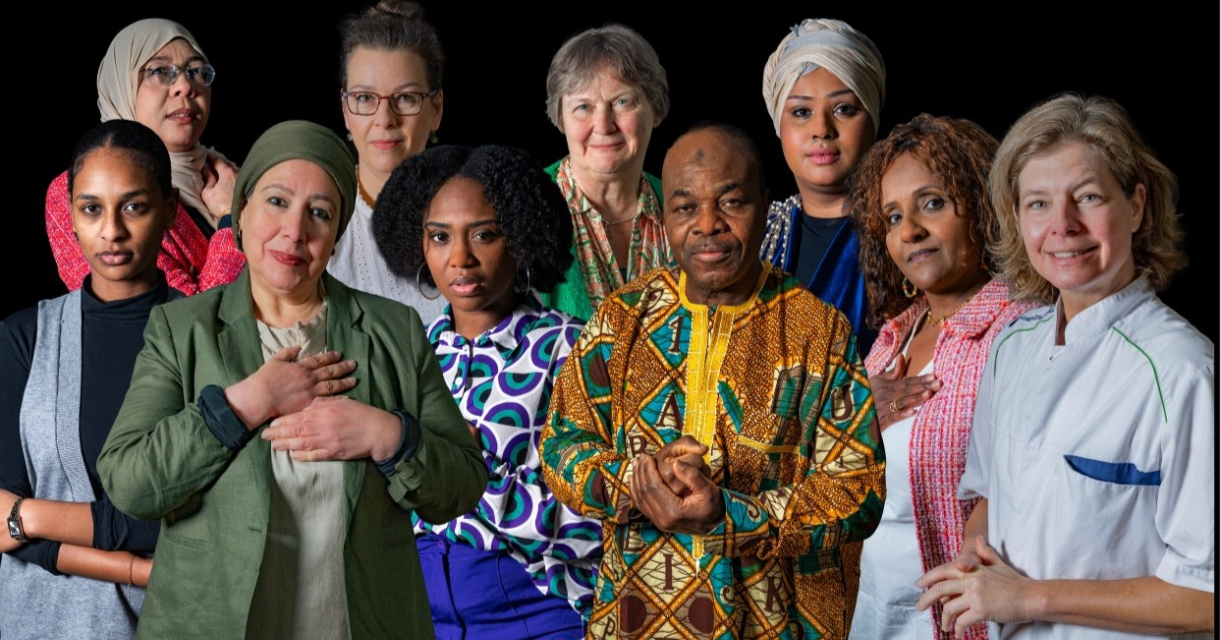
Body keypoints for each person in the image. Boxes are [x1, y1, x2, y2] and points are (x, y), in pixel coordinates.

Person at [96, 121, 487, 639]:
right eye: (277, 202)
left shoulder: (394, 330)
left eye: (319, 213)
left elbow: (461, 483)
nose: (294, 232)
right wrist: (242, 405)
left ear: (336, 234)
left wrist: (386, 435)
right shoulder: (181, 329)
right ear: (243, 212)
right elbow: (129, 482)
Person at [540, 123, 885, 639]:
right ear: (664, 216)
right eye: (685, 207)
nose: (708, 225)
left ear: (765, 206)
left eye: (731, 203)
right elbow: (560, 447)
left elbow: (858, 493)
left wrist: (732, 514)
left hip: (773, 625)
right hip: (637, 621)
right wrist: (639, 481)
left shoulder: (818, 330)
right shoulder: (621, 319)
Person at [917, 94, 1215, 639]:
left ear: (1138, 205)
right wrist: (972, 558)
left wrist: (1027, 597)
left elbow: (1208, 596)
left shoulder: (1183, 372)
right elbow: (988, 495)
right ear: (1016, 218)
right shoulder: (1011, 345)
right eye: (1038, 204)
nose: (1063, 225)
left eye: (1089, 197)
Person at [374, 144, 601, 639]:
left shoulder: (574, 350)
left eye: (484, 234)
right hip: (422, 617)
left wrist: (453, 473)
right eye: (439, 237)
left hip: (537, 616)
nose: (460, 258)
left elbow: (598, 518)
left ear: (520, 238)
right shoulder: (413, 353)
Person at [846, 114, 1034, 640]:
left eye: (932, 203)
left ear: (982, 205)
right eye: (892, 216)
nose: (910, 230)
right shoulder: (890, 340)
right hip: (873, 615)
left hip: (962, 624)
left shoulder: (1019, 330)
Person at [0, 120, 178, 638]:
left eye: (134, 206)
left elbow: (216, 518)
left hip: (174, 621)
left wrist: (31, 516)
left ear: (168, 210)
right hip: (38, 623)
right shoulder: (24, 336)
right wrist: (141, 569)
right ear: (72, 217)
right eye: (92, 208)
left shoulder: (208, 336)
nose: (112, 231)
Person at [45, 18, 244, 297]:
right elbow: (173, 322)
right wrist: (231, 219)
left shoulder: (229, 177)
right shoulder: (82, 193)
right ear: (121, 85)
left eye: (196, 71)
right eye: (161, 71)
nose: (186, 87)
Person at [759, 18, 886, 351]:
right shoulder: (754, 232)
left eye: (844, 109)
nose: (822, 129)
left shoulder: (902, 235)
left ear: (872, 120)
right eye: (801, 112)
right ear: (779, 125)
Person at [538, 24, 674, 320]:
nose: (603, 125)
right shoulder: (526, 207)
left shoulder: (682, 204)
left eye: (622, 102)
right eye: (584, 107)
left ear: (656, 109)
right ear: (560, 118)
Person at [329, 0, 448, 324]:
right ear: (345, 109)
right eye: (365, 98)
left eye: (405, 98)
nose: (385, 119)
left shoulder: (484, 210)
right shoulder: (320, 223)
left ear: (436, 108)